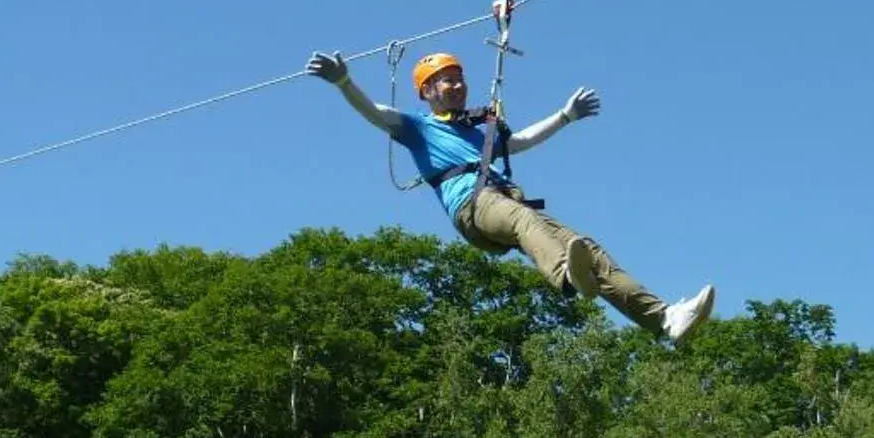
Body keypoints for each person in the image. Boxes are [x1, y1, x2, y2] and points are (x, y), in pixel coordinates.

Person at [304, 48, 717, 342]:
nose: (456, 85)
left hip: (507, 200)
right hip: (473, 206)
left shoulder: (478, 130)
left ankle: (663, 319)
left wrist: (565, 117)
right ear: (427, 91)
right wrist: (343, 81)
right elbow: (372, 112)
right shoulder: (417, 127)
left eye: (459, 77)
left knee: (588, 248)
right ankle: (567, 278)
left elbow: (519, 142)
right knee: (525, 222)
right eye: (446, 80)